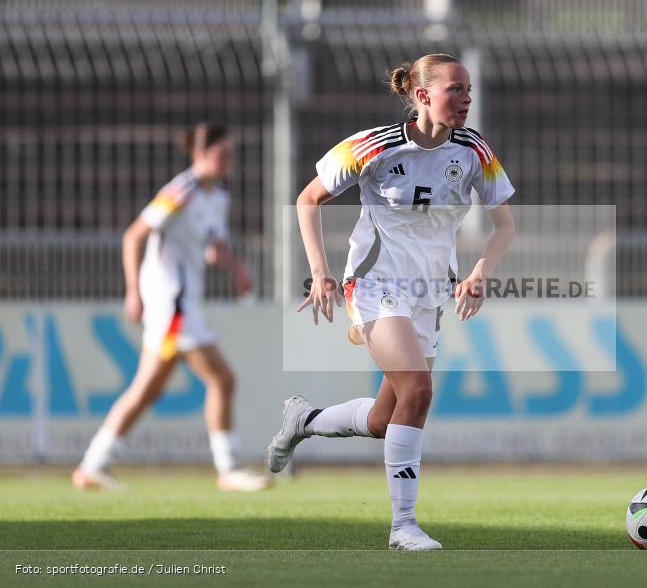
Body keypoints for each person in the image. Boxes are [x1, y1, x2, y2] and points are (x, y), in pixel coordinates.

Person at [265, 54, 516, 550]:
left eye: (468, 90)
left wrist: (478, 274)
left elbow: (505, 226)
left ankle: (305, 420)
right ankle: (403, 527)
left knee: (387, 419)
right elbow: (308, 199)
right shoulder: (372, 145)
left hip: (428, 294)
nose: (466, 99)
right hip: (375, 284)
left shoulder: (474, 150)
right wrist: (320, 273)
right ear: (422, 96)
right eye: (455, 90)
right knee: (418, 391)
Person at [73, 123, 271, 492]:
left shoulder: (218, 198)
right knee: (222, 379)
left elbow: (213, 247)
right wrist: (134, 291)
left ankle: (92, 466)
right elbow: (134, 235)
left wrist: (236, 266)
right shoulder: (181, 191)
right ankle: (228, 470)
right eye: (220, 154)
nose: (228, 161)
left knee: (147, 389)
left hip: (183, 304)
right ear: (199, 155)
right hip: (172, 304)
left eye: (231, 154)